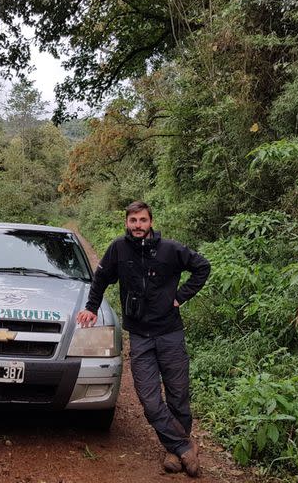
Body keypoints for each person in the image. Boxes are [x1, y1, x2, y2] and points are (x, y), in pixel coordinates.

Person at [76, 201, 210, 477]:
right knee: (149, 401)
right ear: (126, 223)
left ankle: (173, 450)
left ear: (151, 222)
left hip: (170, 333)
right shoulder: (118, 249)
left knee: (178, 395)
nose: (138, 225)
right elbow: (100, 279)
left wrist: (181, 297)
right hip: (140, 336)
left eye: (143, 220)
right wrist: (91, 307)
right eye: (133, 221)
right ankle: (185, 447)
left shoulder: (170, 249)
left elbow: (202, 267)